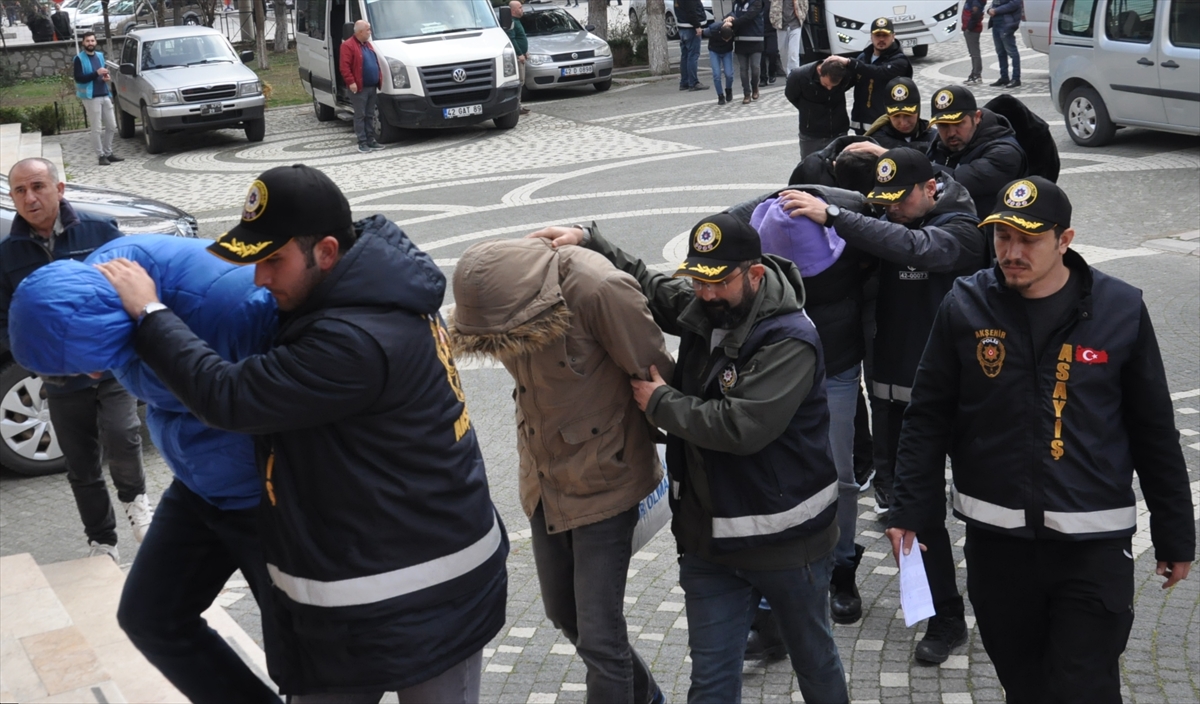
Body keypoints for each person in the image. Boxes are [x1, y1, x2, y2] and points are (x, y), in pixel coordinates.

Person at [96, 164, 509, 702]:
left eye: (274, 260)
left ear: (327, 252)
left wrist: (150, 313)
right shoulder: (371, 293)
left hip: (426, 590)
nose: (259, 279)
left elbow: (228, 397)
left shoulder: (352, 340)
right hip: (386, 573)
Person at [888, 177, 1195, 701]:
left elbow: (1153, 428)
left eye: (1028, 239)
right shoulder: (965, 304)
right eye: (1002, 236)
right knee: (1023, 686)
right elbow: (928, 415)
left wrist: (1175, 533)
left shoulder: (1120, 308)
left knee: (1084, 687)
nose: (1012, 252)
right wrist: (909, 508)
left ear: (1064, 240)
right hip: (997, 545)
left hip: (1093, 544)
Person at [531, 215, 849, 704]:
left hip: (788, 547)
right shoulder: (713, 308)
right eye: (699, 281)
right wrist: (591, 241)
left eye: (718, 282)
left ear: (755, 274)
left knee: (815, 661)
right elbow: (653, 289)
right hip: (710, 547)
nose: (706, 294)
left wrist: (660, 402)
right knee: (711, 685)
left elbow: (739, 427)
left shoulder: (790, 339)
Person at [9, 235, 284, 703]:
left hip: (267, 496)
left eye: (91, 364)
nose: (93, 377)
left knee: (300, 660)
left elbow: (284, 403)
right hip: (200, 481)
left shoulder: (228, 307)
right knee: (151, 617)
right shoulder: (91, 297)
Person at [776, 147, 987, 665]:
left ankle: (1005, 602)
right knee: (913, 515)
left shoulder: (961, 228)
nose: (891, 209)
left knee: (985, 512)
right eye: (884, 201)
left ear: (930, 188)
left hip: (965, 404)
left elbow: (919, 248)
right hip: (897, 402)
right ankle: (943, 617)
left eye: (901, 199)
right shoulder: (885, 222)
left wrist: (835, 215)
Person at [449, 238, 673, 704]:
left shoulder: (598, 289)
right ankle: (648, 697)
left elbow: (656, 377)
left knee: (600, 635)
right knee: (562, 612)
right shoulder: (497, 308)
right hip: (544, 481)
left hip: (606, 481)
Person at [0, 158, 151, 564]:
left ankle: (137, 501)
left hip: (112, 366)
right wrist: (44, 358)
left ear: (59, 188)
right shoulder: (8, 253)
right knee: (81, 464)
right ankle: (102, 542)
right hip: (60, 378)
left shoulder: (100, 230)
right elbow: (7, 322)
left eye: (38, 186)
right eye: (20, 191)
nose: (30, 198)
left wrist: (119, 343)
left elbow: (127, 291)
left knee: (123, 434)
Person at [926, 85, 1027, 219]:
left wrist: (914, 165)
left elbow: (955, 181)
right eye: (943, 125)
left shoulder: (1004, 153)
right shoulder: (940, 144)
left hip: (990, 229)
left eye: (958, 123)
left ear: (977, 117)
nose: (951, 133)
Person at [826, 18, 912, 134]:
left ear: (893, 36)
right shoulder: (863, 57)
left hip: (886, 125)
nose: (881, 39)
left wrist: (850, 62)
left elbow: (878, 72)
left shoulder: (900, 61)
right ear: (871, 37)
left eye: (885, 35)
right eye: (877, 35)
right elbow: (848, 81)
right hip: (861, 123)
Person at [73, 32, 125, 166]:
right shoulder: (79, 59)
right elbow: (79, 78)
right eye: (87, 41)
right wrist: (96, 73)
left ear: (96, 42)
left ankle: (108, 153)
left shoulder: (100, 56)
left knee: (112, 125)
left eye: (92, 41)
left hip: (104, 93)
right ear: (83, 43)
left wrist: (105, 78)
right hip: (91, 97)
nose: (90, 43)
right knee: (96, 128)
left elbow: (102, 74)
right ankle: (101, 155)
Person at [785, 57, 853, 158]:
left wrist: (849, 61)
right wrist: (808, 110)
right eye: (825, 84)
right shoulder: (799, 76)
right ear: (819, 71)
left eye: (833, 86)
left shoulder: (845, 74)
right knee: (810, 165)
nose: (829, 88)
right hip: (811, 134)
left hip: (838, 131)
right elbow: (791, 95)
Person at [339, 20, 384, 153]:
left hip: (371, 86)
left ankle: (371, 139)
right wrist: (351, 82)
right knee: (360, 115)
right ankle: (362, 142)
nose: (370, 32)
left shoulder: (368, 44)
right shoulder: (348, 46)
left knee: (370, 114)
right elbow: (344, 67)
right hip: (359, 87)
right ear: (360, 32)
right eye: (368, 29)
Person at [862, 77, 937, 150]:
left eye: (908, 115)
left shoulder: (934, 137)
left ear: (918, 111)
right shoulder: (876, 141)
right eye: (896, 116)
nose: (903, 123)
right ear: (888, 115)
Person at [725, 0, 764, 104]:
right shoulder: (736, 3)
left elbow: (748, 16)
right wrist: (728, 17)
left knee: (755, 68)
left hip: (755, 39)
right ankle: (746, 93)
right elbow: (733, 13)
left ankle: (755, 86)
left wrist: (732, 22)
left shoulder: (756, 2)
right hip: (740, 41)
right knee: (743, 69)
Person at [989, 0, 1022, 88]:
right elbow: (994, 3)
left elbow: (1015, 4)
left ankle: (1016, 78)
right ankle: (1004, 77)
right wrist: (989, 10)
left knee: (1012, 52)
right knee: (1000, 52)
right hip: (996, 23)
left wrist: (996, 10)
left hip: (1006, 24)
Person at [506, 1, 532, 114]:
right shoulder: (512, 22)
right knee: (519, 82)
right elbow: (512, 39)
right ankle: (517, 106)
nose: (522, 10)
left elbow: (520, 37)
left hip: (522, 55)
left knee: (521, 82)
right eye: (520, 7)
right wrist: (519, 53)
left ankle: (518, 105)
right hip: (518, 57)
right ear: (513, 10)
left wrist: (525, 52)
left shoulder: (517, 21)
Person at [675, 0, 707, 92]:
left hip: (682, 27)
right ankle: (693, 82)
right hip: (690, 28)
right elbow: (691, 11)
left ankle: (684, 82)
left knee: (685, 56)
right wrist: (697, 26)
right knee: (693, 56)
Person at [703, 18, 735, 104]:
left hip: (727, 51)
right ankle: (720, 96)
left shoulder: (733, 28)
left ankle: (728, 90)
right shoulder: (713, 30)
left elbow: (734, 16)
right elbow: (704, 32)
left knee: (729, 74)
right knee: (716, 74)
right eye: (725, 39)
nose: (726, 41)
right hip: (714, 51)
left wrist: (732, 20)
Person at [774, 0, 806, 76]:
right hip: (781, 25)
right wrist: (774, 19)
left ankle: (795, 76)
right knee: (783, 53)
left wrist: (802, 16)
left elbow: (805, 5)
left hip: (795, 25)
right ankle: (788, 74)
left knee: (793, 54)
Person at [962, 0, 985, 84]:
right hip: (970, 28)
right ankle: (974, 74)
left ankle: (976, 75)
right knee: (973, 53)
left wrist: (969, 28)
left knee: (974, 53)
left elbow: (976, 13)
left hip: (972, 29)